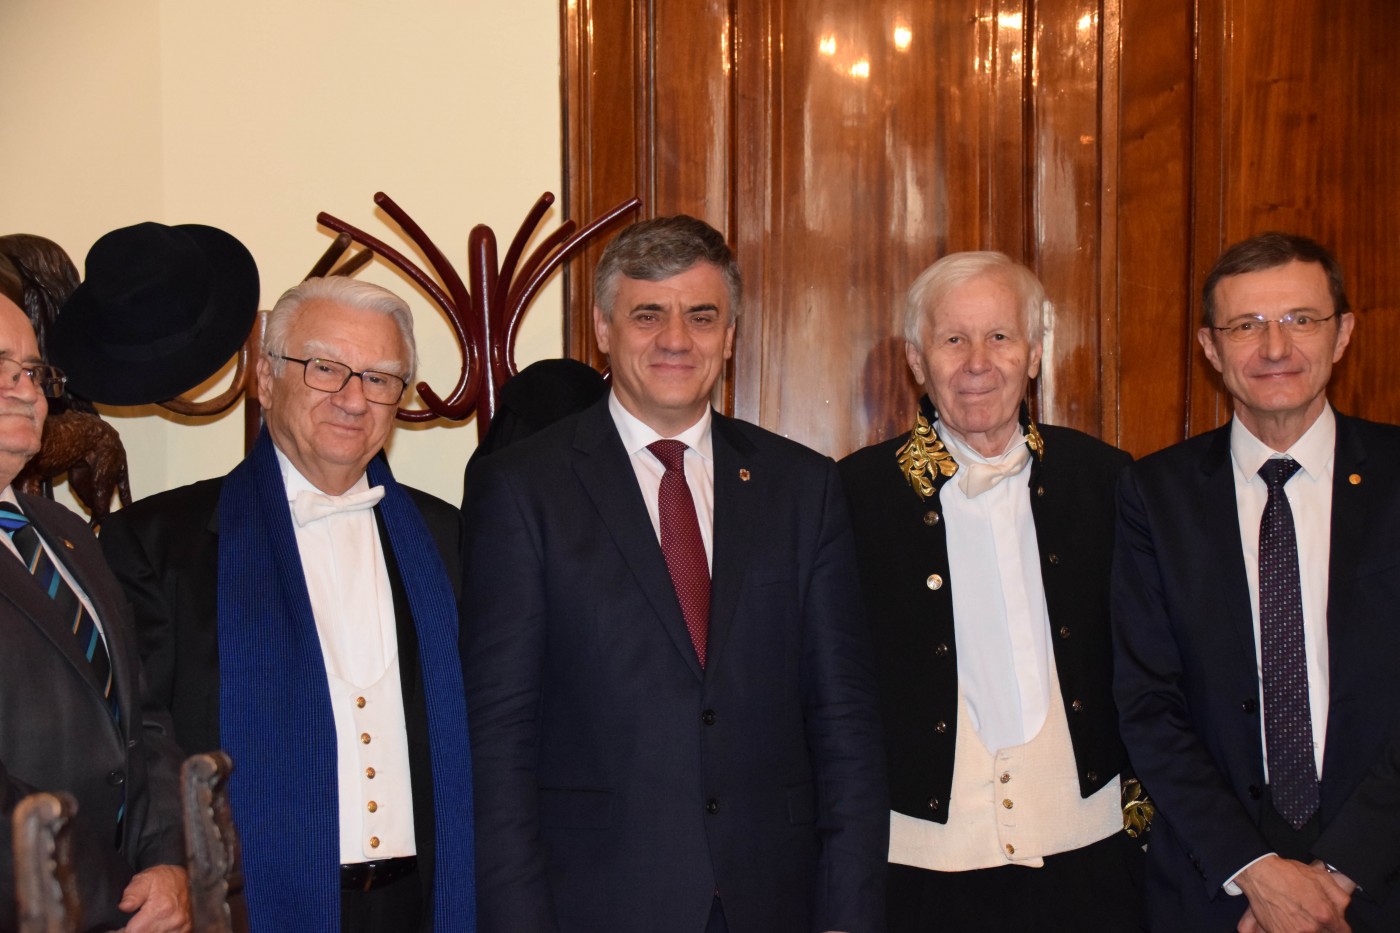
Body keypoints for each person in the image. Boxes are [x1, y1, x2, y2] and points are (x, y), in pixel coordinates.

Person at [461, 215, 887, 933]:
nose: (676, 339)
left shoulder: (802, 488)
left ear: (731, 335)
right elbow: (498, 739)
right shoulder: (523, 489)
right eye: (648, 314)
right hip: (596, 903)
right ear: (603, 328)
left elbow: (844, 723)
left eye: (701, 316)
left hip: (774, 900)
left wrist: (848, 913)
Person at [100, 277, 475, 933]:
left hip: (418, 901)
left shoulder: (449, 537)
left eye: (380, 378)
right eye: (325, 368)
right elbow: (137, 738)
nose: (353, 398)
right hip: (245, 899)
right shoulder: (157, 543)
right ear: (267, 380)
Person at [838, 252, 1143, 931]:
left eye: (1000, 337)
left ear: (1033, 354)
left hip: (1090, 855)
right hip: (918, 871)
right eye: (954, 339)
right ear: (917, 361)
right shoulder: (853, 496)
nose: (978, 362)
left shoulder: (1106, 480)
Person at [1112, 232, 1400, 931]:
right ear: (1210, 348)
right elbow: (1148, 703)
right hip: (1218, 890)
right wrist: (1256, 870)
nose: (1275, 348)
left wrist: (1336, 875)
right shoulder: (1155, 494)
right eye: (1246, 325)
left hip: (1382, 880)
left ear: (1343, 334)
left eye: (1301, 319)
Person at [0, 267, 189, 933]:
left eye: (32, 370)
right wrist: (112, 896)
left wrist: (169, 863)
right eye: (0, 366)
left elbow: (143, 714)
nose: (25, 388)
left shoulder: (69, 532)